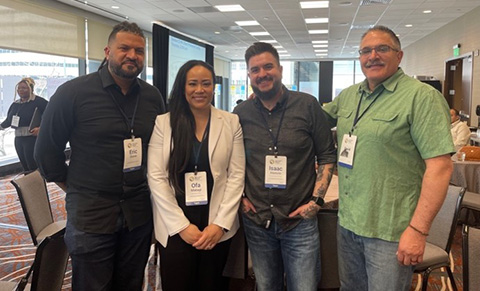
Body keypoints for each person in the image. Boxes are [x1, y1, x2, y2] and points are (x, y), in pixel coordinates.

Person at [34, 21, 165, 291]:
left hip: (138, 213)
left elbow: (160, 150)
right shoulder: (73, 93)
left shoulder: (152, 97)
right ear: (108, 51)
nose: (132, 55)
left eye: (139, 51)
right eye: (124, 48)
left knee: (130, 284)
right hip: (91, 214)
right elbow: (47, 152)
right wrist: (74, 188)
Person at [322, 25, 455, 290]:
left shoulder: (422, 97)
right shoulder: (348, 96)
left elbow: (440, 168)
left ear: (399, 55)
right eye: (365, 51)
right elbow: (310, 120)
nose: (373, 56)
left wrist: (418, 231)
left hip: (391, 232)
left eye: (382, 49)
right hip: (348, 224)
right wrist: (270, 101)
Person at [233, 42, 337, 291]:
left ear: (280, 69)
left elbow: (326, 155)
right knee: (267, 286)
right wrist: (240, 197)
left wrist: (316, 202)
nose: (262, 74)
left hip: (298, 221)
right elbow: (231, 161)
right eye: (255, 69)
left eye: (268, 66)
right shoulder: (240, 113)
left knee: (304, 287)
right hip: (257, 220)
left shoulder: (308, 105)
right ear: (249, 75)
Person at [147, 60, 245, 291]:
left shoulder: (231, 122)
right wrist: (181, 226)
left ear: (214, 87)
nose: (199, 90)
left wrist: (220, 225)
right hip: (175, 225)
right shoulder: (164, 123)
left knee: (213, 285)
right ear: (183, 87)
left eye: (206, 84)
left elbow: (236, 176)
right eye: (193, 84)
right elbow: (156, 176)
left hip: (216, 225)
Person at [0, 78, 47, 173]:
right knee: (25, 166)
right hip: (19, 139)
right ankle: (28, 187)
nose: (21, 90)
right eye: (19, 88)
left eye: (24, 88)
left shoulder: (39, 102)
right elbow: (8, 121)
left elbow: (51, 117)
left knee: (33, 166)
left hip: (32, 138)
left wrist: (41, 129)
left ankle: (37, 187)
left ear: (31, 89)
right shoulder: (15, 104)